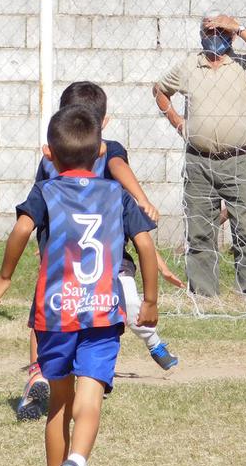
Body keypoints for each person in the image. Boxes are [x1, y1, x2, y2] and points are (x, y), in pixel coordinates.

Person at [0, 105, 159, 466]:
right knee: (90, 397)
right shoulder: (116, 195)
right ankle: (77, 462)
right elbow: (147, 246)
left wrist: (5, 276)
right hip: (101, 312)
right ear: (101, 151)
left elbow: (23, 230)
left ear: (50, 155)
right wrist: (149, 300)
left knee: (58, 404)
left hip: (55, 313)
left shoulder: (46, 192)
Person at [15, 82, 185, 421]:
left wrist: (36, 251)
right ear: (103, 124)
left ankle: (42, 374)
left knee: (46, 317)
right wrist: (142, 199)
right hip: (103, 260)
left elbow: (33, 213)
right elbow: (120, 171)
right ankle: (65, 378)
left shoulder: (54, 155)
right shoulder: (104, 149)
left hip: (65, 259)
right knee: (117, 310)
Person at [153, 13, 246, 297]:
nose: (214, 36)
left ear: (231, 35)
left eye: (221, 31)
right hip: (199, 163)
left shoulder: (245, 65)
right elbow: (159, 90)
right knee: (199, 233)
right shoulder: (189, 66)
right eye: (209, 31)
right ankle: (204, 295)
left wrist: (240, 27)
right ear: (200, 34)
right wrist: (177, 122)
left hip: (240, 162)